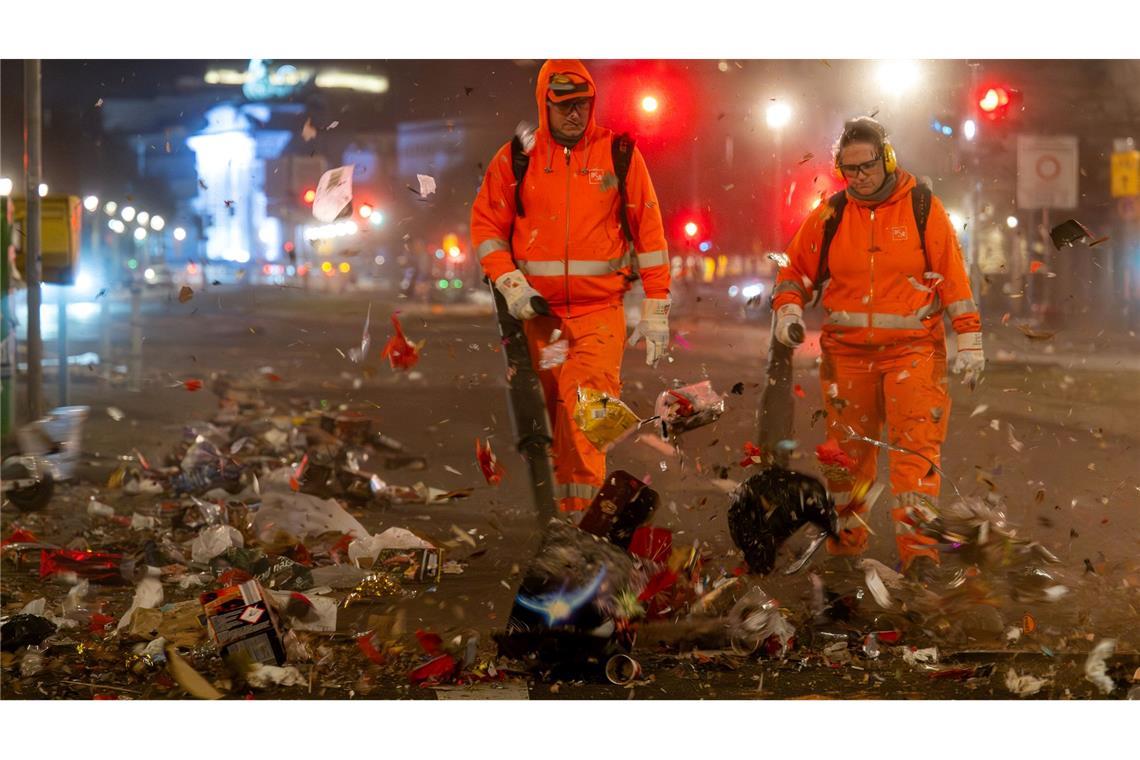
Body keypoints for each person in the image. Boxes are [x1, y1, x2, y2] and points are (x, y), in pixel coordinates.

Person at [772, 116, 984, 573]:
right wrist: (788, 308)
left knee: (916, 455)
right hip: (847, 356)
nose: (859, 177)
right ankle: (845, 549)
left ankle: (920, 555)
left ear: (886, 159)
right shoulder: (830, 215)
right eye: (849, 170)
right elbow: (794, 272)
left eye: (867, 166)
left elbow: (953, 278)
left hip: (914, 351)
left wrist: (970, 338)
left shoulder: (923, 208)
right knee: (846, 461)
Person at [471, 59, 671, 513]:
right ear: (545, 105)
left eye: (582, 104)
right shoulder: (518, 158)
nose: (574, 114)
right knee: (557, 425)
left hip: (599, 314)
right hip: (540, 320)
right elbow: (486, 227)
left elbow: (650, 233)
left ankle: (581, 530)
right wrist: (510, 281)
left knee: (585, 418)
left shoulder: (618, 154)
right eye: (563, 105)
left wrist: (657, 303)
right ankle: (566, 526)